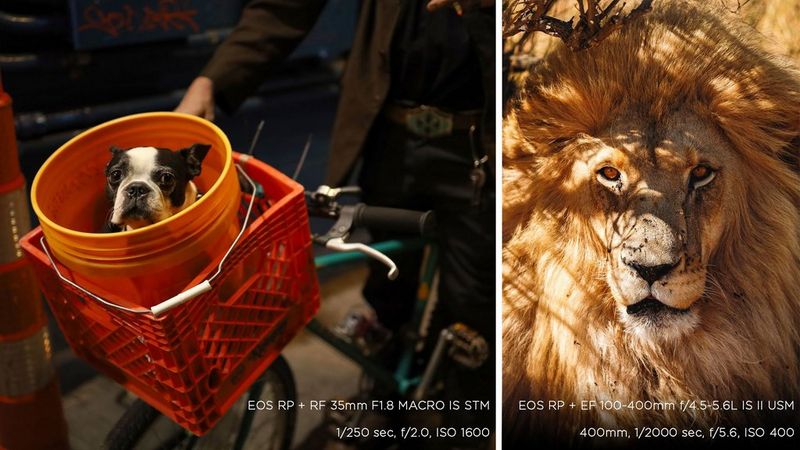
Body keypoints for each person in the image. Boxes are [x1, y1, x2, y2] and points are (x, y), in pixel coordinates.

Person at [176, 0, 495, 447]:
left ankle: (466, 424)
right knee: (387, 282)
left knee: (475, 306)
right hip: (392, 137)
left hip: (483, 145)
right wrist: (212, 80)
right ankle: (385, 403)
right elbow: (286, 7)